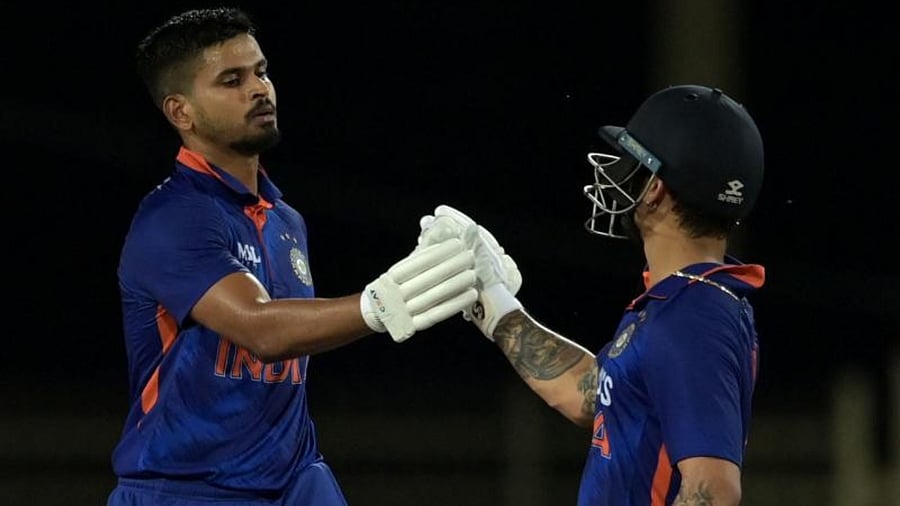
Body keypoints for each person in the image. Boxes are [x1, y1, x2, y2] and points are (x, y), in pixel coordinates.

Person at [107, 7, 479, 506]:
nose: (259, 89)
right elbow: (263, 331)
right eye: (231, 80)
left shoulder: (285, 219)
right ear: (181, 112)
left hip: (297, 482)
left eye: (260, 72)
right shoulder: (172, 218)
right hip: (188, 488)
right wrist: (383, 302)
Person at [418, 84, 765, 505]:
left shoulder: (692, 317)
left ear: (654, 187)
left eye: (631, 161)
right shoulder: (685, 301)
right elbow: (592, 394)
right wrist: (491, 301)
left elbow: (713, 492)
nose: (617, 174)